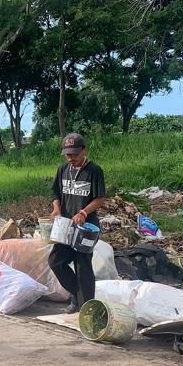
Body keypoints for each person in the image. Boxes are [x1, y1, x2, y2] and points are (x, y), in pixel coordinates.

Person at [49, 133, 107, 311]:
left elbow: (100, 199)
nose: (70, 158)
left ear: (84, 150)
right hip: (66, 226)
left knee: (82, 266)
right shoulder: (63, 169)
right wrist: (56, 208)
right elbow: (55, 193)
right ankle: (79, 296)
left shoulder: (94, 171)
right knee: (56, 262)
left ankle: (86, 309)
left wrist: (83, 212)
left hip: (86, 227)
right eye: (67, 154)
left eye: (74, 154)